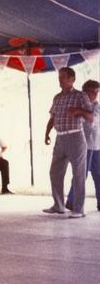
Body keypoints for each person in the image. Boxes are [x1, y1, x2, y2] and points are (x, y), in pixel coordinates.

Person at [43, 67, 93, 218]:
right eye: (59, 77)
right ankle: (58, 205)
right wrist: (47, 133)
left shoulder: (80, 96)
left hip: (75, 137)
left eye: (63, 77)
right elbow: (52, 117)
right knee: (55, 172)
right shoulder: (57, 97)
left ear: (72, 79)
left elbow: (91, 116)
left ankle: (79, 209)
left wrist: (79, 110)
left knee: (78, 174)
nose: (60, 79)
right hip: (60, 138)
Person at [66, 79, 100, 212]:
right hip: (83, 145)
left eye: (97, 91)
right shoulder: (79, 104)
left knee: (98, 175)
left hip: (97, 145)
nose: (95, 94)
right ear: (84, 92)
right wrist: (81, 111)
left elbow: (93, 119)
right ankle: (71, 201)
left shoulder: (96, 106)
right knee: (81, 174)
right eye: (92, 91)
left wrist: (80, 111)